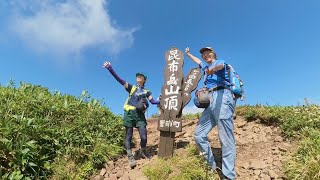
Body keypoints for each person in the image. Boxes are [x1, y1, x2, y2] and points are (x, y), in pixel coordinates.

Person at [185, 47, 236, 180]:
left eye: (208, 53)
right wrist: (189, 54)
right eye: (203, 54)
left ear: (213, 54)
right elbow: (198, 61)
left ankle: (228, 176)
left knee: (225, 137)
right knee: (199, 134)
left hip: (222, 96)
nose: (205, 55)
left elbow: (220, 66)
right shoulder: (205, 67)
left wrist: (213, 68)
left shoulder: (219, 62)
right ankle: (212, 167)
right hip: (210, 100)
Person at [103, 61, 160, 169]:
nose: (138, 77)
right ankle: (130, 156)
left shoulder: (147, 91)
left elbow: (153, 102)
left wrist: (161, 101)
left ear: (144, 79)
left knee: (144, 136)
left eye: (141, 76)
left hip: (140, 116)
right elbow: (119, 80)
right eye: (137, 76)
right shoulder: (132, 88)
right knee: (128, 135)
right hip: (129, 113)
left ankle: (142, 151)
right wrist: (110, 68)